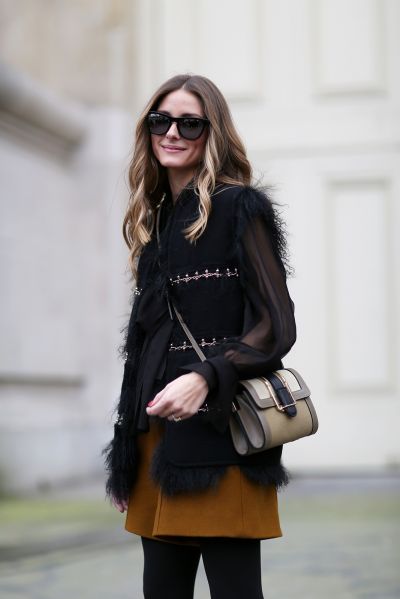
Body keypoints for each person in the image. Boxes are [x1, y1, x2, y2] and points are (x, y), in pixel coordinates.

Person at [103, 73, 297, 599]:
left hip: (222, 437)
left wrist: (207, 377)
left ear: (213, 133)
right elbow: (142, 350)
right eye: (160, 121)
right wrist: (125, 453)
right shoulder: (156, 223)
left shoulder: (238, 208)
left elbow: (276, 324)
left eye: (190, 123)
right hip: (157, 442)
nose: (172, 133)